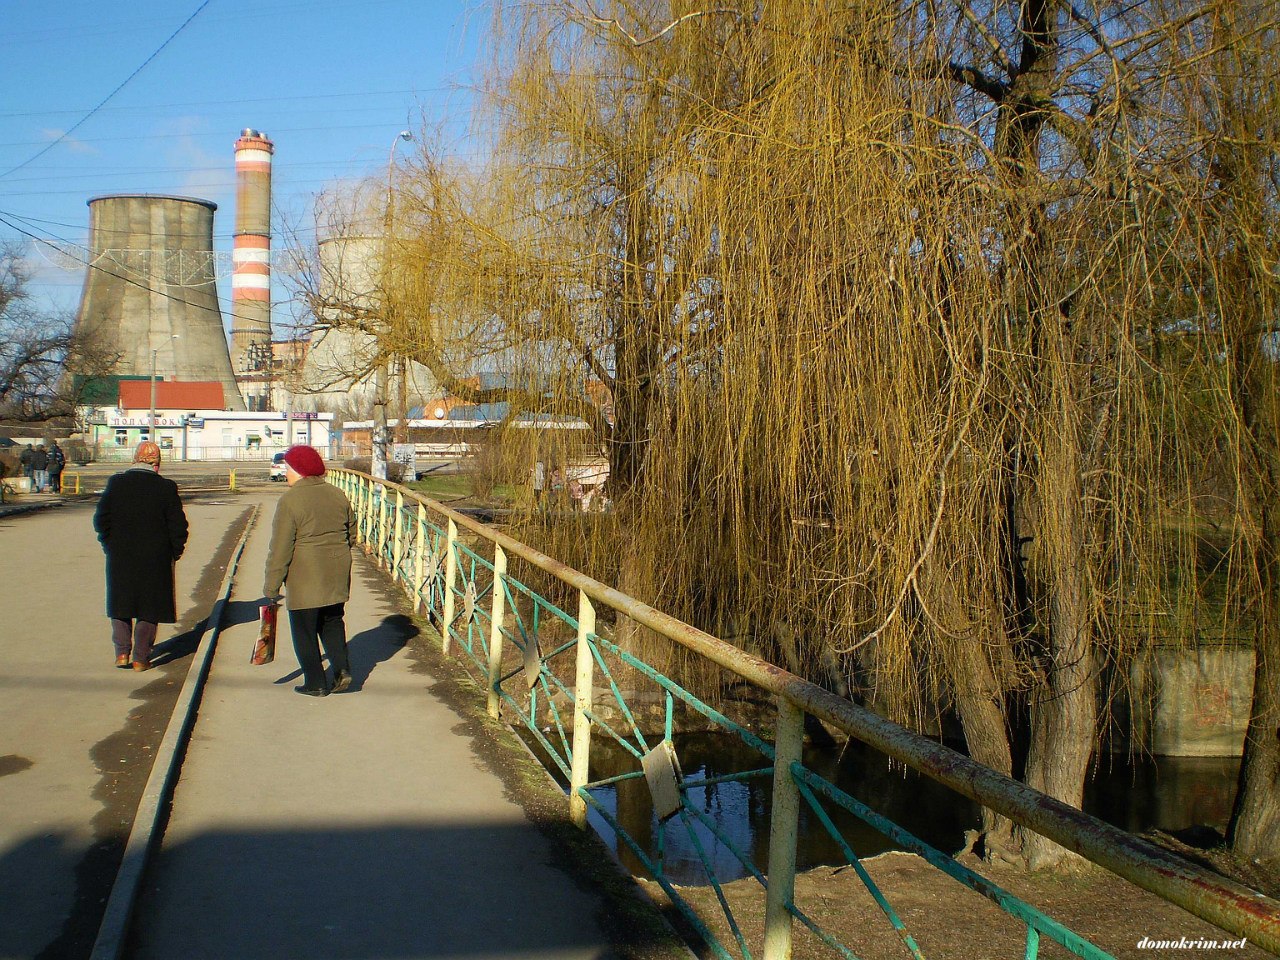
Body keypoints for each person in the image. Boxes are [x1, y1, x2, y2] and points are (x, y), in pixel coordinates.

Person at [262, 444, 355, 697]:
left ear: (298, 471)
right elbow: (352, 533)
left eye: (287, 468)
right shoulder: (337, 494)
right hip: (337, 570)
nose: (285, 473)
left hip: (306, 574)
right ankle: (342, 670)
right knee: (333, 622)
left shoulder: (290, 500)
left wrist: (271, 586)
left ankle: (315, 682)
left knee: (304, 628)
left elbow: (280, 547)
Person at [93, 441, 189, 671]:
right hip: (155, 557)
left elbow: (101, 520)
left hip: (121, 554)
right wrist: (174, 551)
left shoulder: (116, 483)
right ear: (157, 465)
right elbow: (178, 526)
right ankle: (141, 657)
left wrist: (110, 544)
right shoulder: (166, 487)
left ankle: (122, 653)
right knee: (149, 605)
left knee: (121, 602)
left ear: (134, 460)